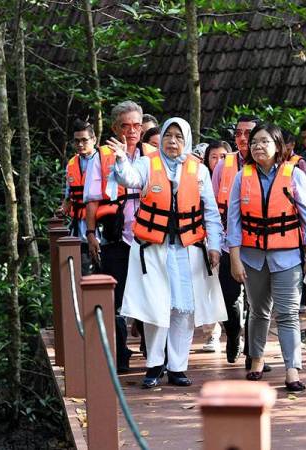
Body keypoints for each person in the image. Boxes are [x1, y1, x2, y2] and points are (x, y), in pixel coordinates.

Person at [107, 117, 227, 388]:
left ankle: (177, 367)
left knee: (182, 310)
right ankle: (153, 366)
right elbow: (130, 178)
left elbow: (210, 211)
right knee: (155, 307)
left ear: (187, 140)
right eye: (168, 136)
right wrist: (121, 159)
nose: (172, 142)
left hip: (188, 249)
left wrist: (215, 247)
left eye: (179, 137)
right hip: (153, 249)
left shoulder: (199, 170)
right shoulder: (147, 163)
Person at [227, 122, 306, 391]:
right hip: (252, 256)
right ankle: (256, 359)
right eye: (254, 142)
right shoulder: (241, 177)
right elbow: (233, 221)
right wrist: (234, 258)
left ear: (278, 146)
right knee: (257, 311)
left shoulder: (294, 175)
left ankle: (292, 369)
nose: (258, 146)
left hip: (288, 257)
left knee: (288, 314)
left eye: (264, 141)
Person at [84, 101, 155, 373]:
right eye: (126, 125)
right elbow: (92, 199)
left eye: (137, 125)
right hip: (116, 235)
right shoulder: (101, 157)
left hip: (149, 236)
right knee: (117, 300)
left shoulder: (152, 154)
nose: (132, 131)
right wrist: (91, 234)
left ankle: (153, 354)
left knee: (150, 295)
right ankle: (120, 354)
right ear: (115, 127)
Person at [212, 116, 268, 371]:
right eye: (238, 134)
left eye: (248, 133)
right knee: (228, 298)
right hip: (228, 244)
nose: (243, 138)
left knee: (257, 303)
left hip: (258, 245)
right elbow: (210, 207)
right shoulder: (224, 165)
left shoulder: (268, 165)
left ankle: (253, 354)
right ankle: (233, 332)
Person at [200, 140, 232, 352]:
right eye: (214, 156)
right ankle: (212, 333)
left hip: (230, 241)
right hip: (202, 238)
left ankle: (234, 333)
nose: (218, 161)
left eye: (223, 157)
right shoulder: (196, 176)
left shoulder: (236, 176)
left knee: (230, 291)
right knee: (209, 286)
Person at [62, 119, 99, 274]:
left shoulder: (103, 161)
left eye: (84, 140)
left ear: (94, 140)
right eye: (77, 141)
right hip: (79, 229)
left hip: (101, 228)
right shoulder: (71, 164)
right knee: (83, 275)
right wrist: (63, 208)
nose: (80, 144)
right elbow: (68, 196)